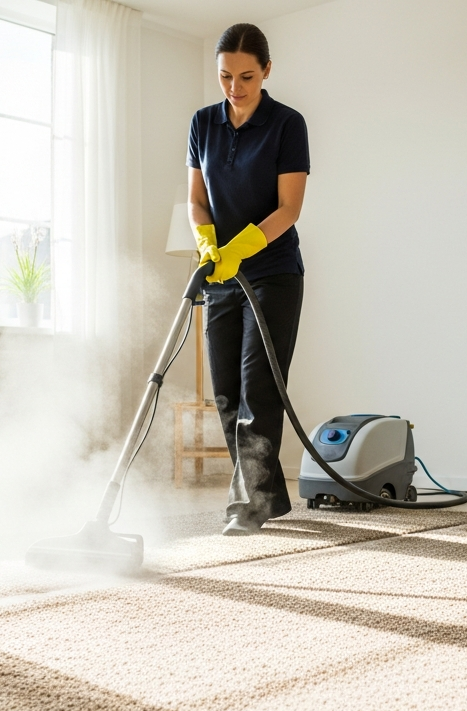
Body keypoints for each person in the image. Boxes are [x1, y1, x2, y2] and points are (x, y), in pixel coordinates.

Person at [187, 23, 309, 536]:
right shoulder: (202, 123)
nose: (234, 87)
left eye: (246, 76)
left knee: (258, 388)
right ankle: (264, 492)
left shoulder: (287, 124)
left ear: (266, 71)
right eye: (224, 76)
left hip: (273, 272)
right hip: (223, 276)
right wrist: (209, 245)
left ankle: (248, 505)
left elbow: (289, 209)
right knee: (225, 392)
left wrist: (241, 249)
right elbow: (196, 199)